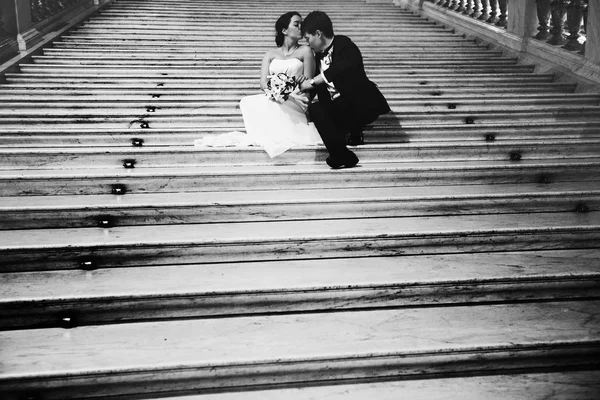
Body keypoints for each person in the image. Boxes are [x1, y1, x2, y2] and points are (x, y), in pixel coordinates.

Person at [299, 11, 390, 169]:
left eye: (308, 38)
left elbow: (342, 67)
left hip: (360, 105)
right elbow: (312, 89)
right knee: (316, 108)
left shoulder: (344, 44)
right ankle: (341, 154)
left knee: (344, 98)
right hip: (338, 109)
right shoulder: (316, 57)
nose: (308, 43)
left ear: (318, 34)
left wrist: (314, 81)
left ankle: (353, 131)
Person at [238, 11, 322, 158]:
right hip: (275, 95)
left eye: (302, 24)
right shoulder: (270, 54)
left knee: (273, 105)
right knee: (248, 102)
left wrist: (292, 88)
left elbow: (309, 84)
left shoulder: (306, 51)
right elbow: (263, 82)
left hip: (297, 97)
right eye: (296, 24)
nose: (301, 27)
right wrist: (275, 91)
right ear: (284, 30)